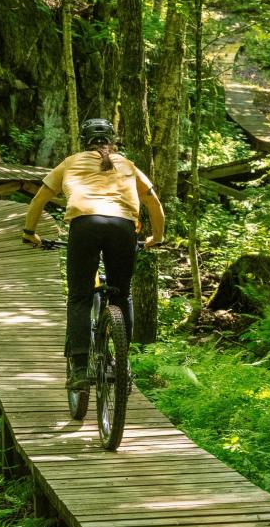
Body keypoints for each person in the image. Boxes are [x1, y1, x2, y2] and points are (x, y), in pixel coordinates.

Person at [22, 118, 165, 390]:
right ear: (112, 141)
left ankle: (78, 368)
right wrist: (156, 238)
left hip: (85, 225)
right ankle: (122, 363)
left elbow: (39, 198)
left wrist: (30, 232)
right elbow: (153, 202)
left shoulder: (71, 162)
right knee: (122, 294)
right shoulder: (127, 165)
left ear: (84, 141)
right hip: (123, 227)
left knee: (79, 295)